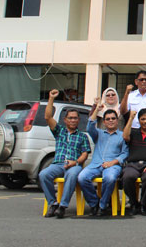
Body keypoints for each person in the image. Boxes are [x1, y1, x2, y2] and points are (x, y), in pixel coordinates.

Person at [39, 89, 91, 218]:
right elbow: (47, 117)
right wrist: (51, 98)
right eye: (70, 118)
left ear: (78, 120)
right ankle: (53, 203)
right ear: (65, 120)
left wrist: (76, 162)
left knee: (72, 175)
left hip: (74, 164)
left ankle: (63, 206)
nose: (73, 120)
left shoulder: (82, 136)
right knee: (43, 174)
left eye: (75, 118)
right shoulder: (59, 131)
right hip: (58, 164)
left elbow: (85, 154)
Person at [78, 107, 129, 216]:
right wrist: (96, 109)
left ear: (117, 120)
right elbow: (90, 125)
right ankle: (94, 203)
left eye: (113, 118)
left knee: (110, 178)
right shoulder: (98, 134)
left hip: (113, 166)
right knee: (82, 177)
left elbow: (125, 153)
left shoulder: (122, 135)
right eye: (108, 119)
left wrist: (113, 162)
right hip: (96, 164)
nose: (110, 121)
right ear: (104, 121)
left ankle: (103, 205)